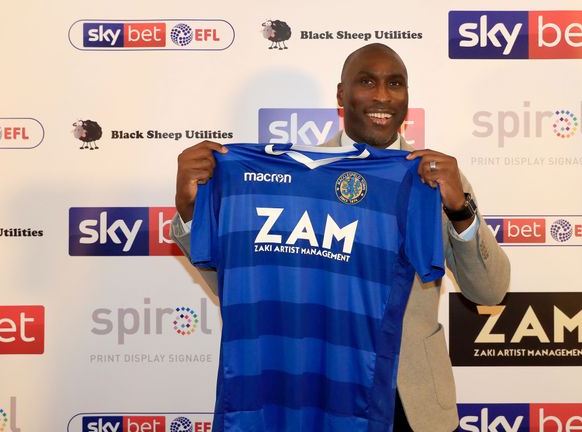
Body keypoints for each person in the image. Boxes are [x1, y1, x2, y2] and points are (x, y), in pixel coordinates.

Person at [171, 43, 510, 431]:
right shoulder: (293, 182)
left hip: (409, 401)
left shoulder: (431, 179)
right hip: (320, 390)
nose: (382, 95)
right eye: (367, 82)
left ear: (407, 97)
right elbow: (236, 285)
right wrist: (189, 210)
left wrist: (460, 210)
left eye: (395, 84)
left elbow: (490, 292)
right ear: (340, 95)